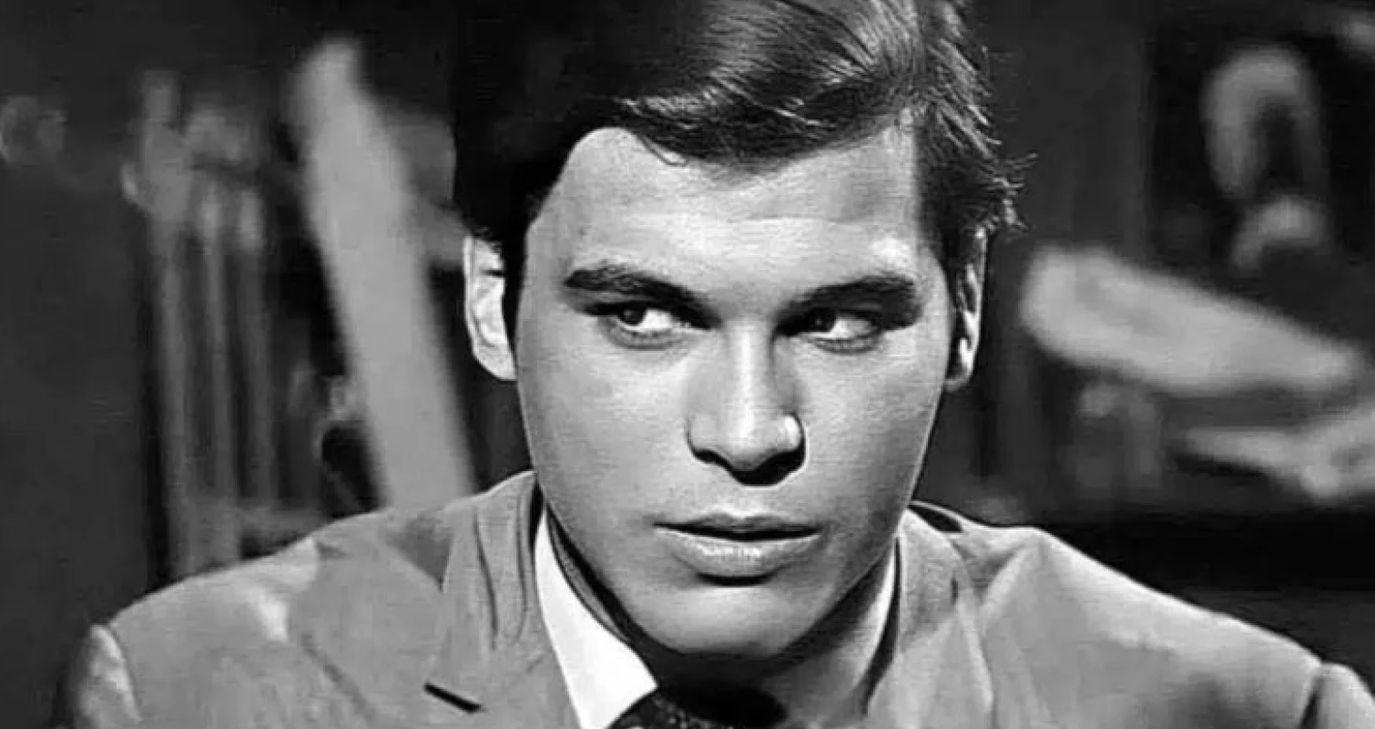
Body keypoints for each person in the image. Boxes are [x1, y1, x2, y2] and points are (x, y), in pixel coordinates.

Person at [57, 1, 1375, 727]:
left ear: (964, 311)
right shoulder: (195, 697)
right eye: (644, 316)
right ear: (491, 303)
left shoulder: (1247, 713)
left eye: (837, 323)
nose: (748, 433)